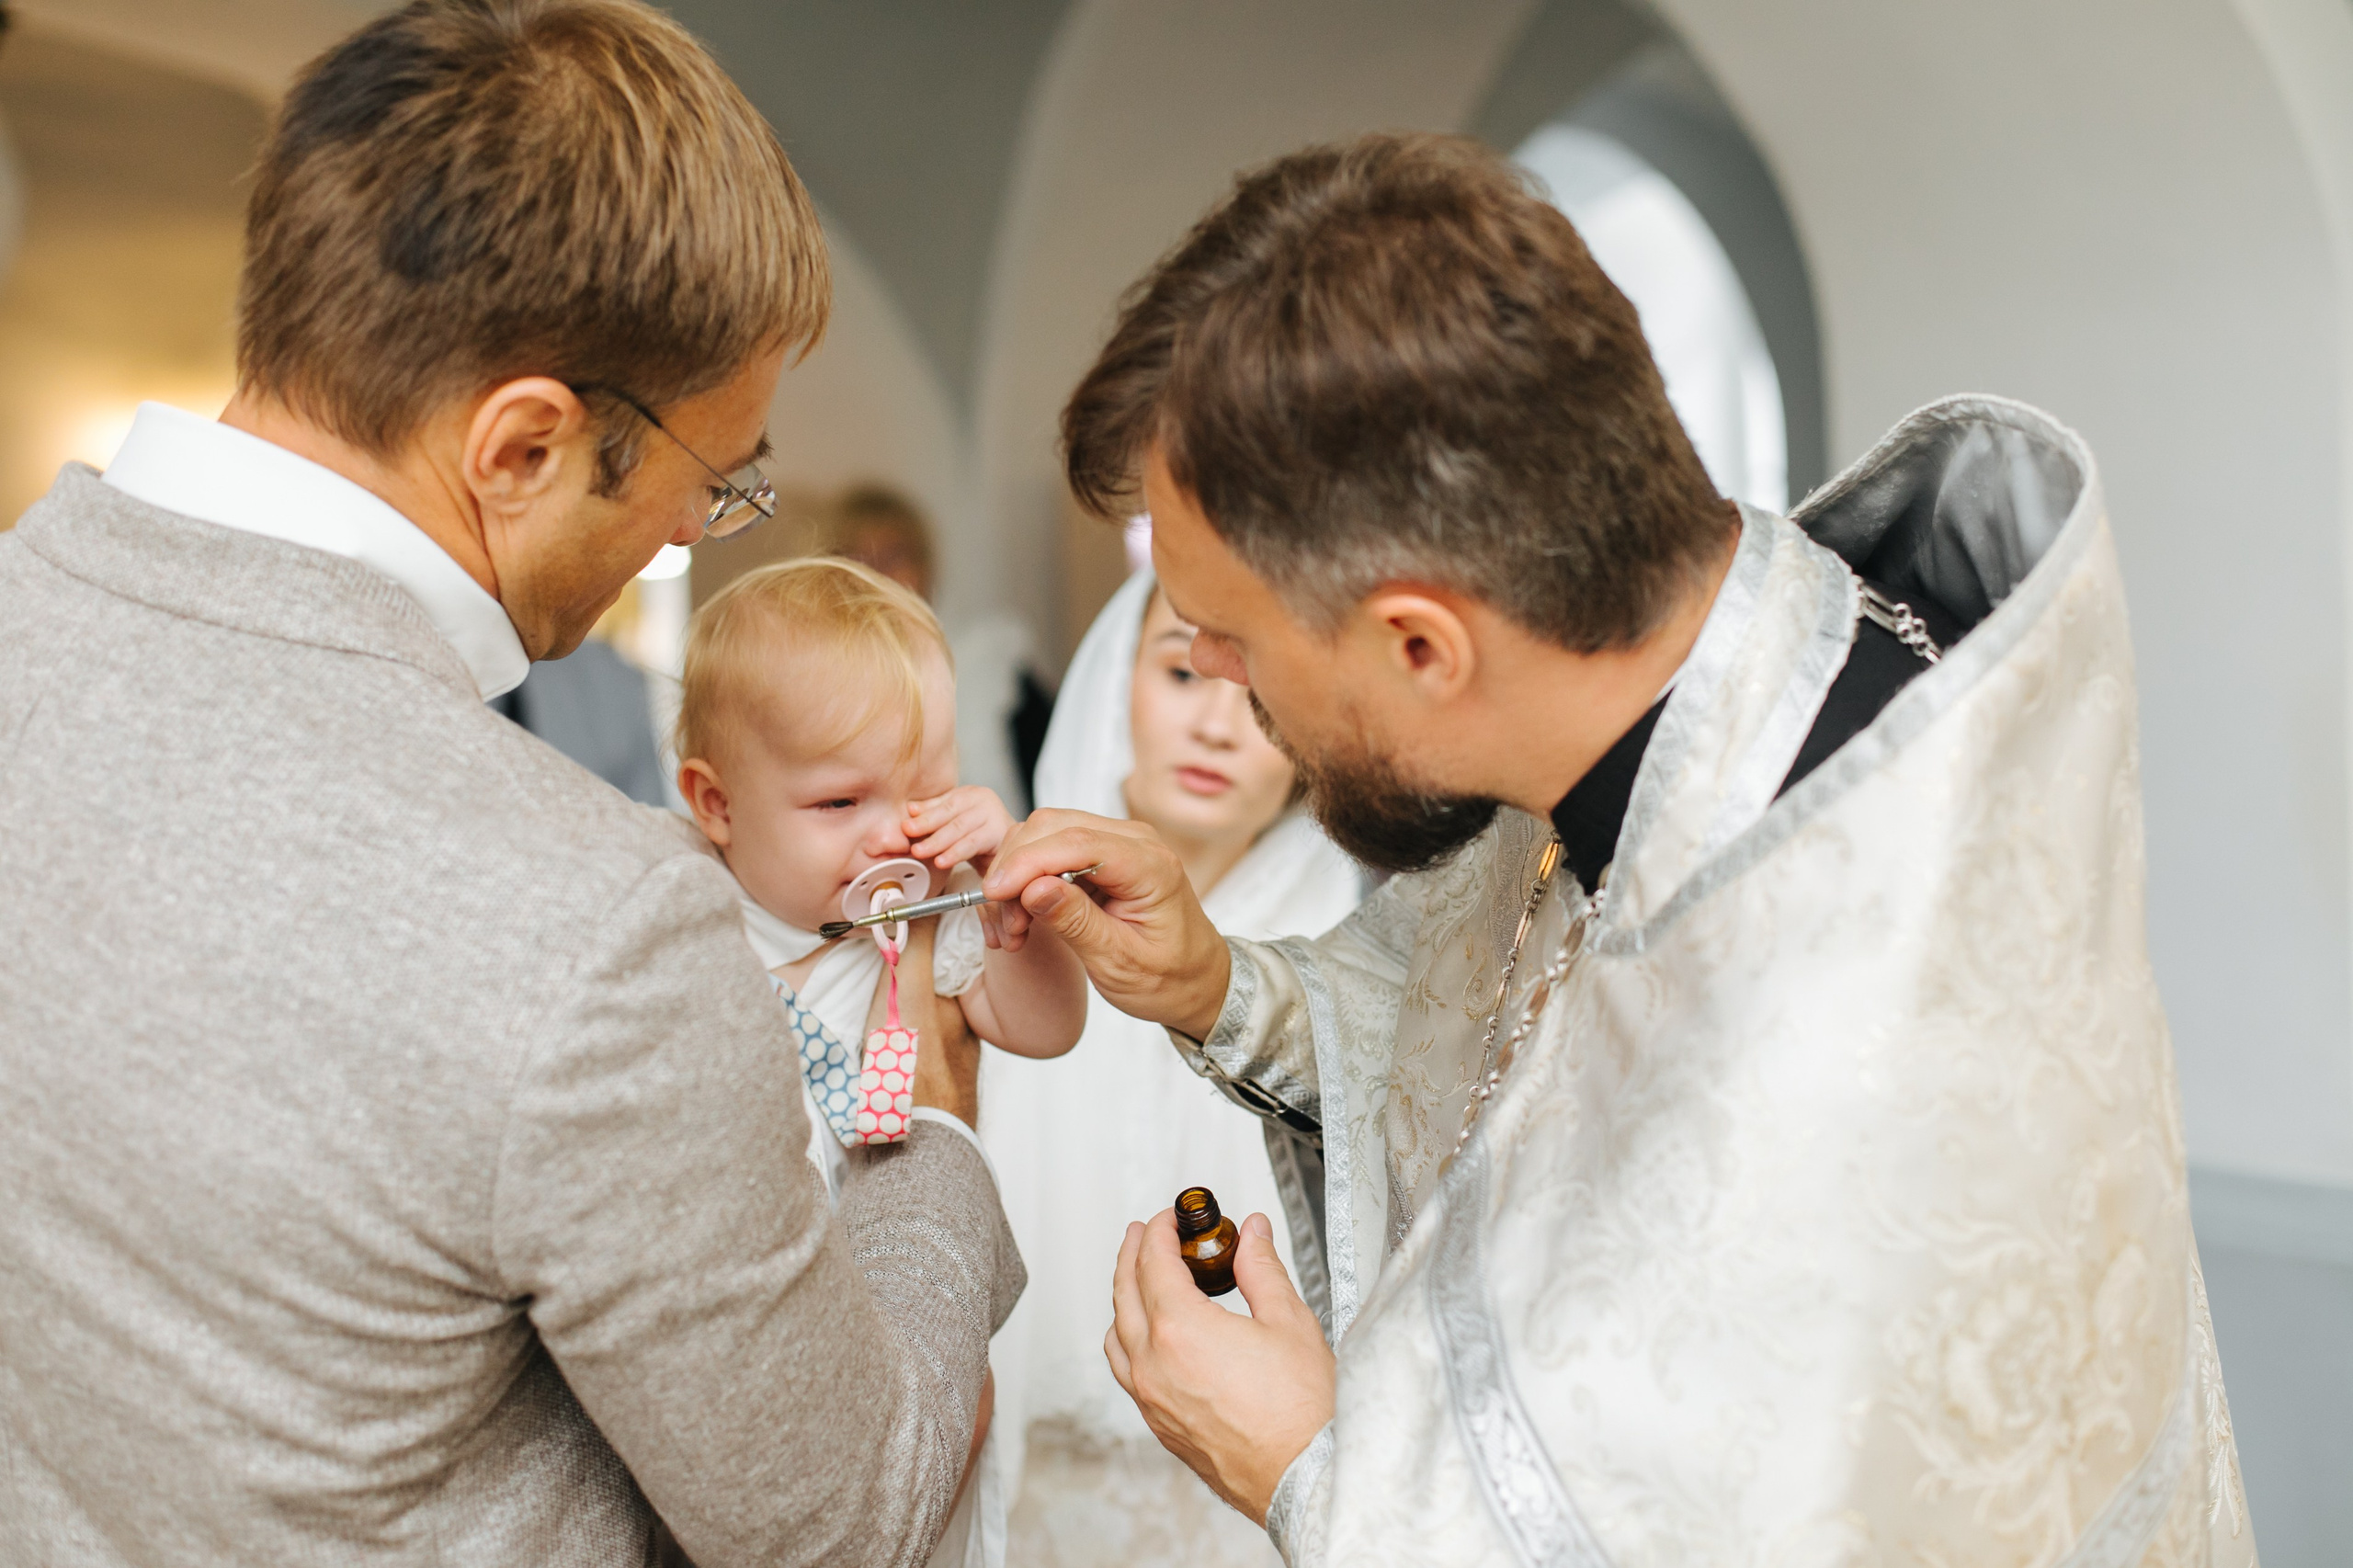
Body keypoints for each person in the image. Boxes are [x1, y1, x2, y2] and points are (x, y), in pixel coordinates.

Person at [983, 133, 2258, 1566]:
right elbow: (1493, 1065)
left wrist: (1309, 1476)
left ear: (1421, 643)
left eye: (1232, 636)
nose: (1207, 670)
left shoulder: (1869, 1014)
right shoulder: (1656, 688)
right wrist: (1222, 983)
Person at [0, 4, 1021, 1564]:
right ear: (525, 447)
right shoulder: (597, 927)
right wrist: (936, 1132)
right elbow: (843, 1518)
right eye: (718, 477)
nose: (696, 533)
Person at [671, 556, 1086, 1567]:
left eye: (926, 793)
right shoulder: (679, 926)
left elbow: (1050, 1024)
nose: (887, 838)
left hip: (903, 1338)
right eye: (837, 802)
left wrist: (1006, 884)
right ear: (714, 804)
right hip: (739, 1326)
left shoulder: (938, 923)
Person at [983, 570, 1363, 1568]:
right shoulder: (1011, 910)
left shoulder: (1362, 938)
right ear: (1118, 683)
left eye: (1257, 694)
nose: (1216, 725)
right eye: (1181, 672)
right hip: (1038, 1482)